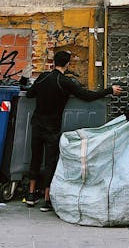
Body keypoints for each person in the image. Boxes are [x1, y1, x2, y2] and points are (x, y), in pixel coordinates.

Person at [25, 49, 122, 212]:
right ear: (68, 64)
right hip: (52, 128)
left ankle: (30, 195)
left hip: (37, 125)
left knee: (35, 158)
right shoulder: (66, 82)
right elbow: (87, 96)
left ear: (54, 62)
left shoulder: (43, 77)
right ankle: (47, 200)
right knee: (50, 162)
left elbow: (29, 94)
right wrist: (109, 90)